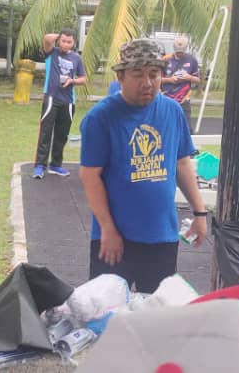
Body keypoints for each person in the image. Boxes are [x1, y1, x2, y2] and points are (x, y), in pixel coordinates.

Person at [79, 39, 208, 293]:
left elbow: (182, 162)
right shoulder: (101, 117)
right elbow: (90, 176)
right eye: (138, 75)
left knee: (157, 310)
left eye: (154, 74)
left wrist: (200, 213)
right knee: (107, 311)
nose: (147, 83)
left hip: (161, 236)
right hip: (114, 237)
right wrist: (107, 228)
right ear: (121, 77)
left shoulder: (172, 111)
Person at [31, 28, 86, 179]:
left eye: (69, 42)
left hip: (68, 101)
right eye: (63, 41)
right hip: (51, 98)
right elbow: (47, 39)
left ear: (74, 43)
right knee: (45, 133)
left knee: (62, 135)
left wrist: (72, 81)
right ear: (59, 40)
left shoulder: (76, 58)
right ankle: (40, 166)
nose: (66, 44)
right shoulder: (51, 53)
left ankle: (55, 165)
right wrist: (58, 35)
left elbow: (83, 79)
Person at [160, 34, 200, 130]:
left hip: (184, 100)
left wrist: (189, 77)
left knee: (187, 129)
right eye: (178, 52)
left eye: (181, 52)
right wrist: (170, 80)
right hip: (167, 99)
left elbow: (198, 80)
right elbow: (156, 79)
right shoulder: (165, 59)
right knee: (165, 128)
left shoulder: (192, 60)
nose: (179, 54)